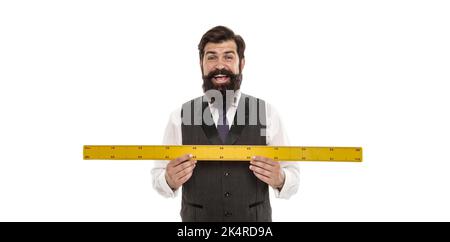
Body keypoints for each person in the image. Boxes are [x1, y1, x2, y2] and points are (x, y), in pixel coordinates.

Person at [151, 26, 299, 222]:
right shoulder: (179, 116)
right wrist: (168, 180)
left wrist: (280, 179)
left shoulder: (267, 113)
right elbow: (158, 177)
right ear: (200, 63)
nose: (219, 65)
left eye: (228, 56)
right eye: (211, 57)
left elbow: (293, 177)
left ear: (242, 63)